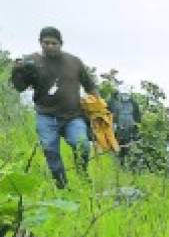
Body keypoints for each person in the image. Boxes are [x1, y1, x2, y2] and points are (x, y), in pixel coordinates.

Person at [9, 26, 100, 188]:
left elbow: (89, 85)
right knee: (50, 151)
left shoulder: (74, 61)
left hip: (73, 115)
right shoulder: (31, 61)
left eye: (54, 43)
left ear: (61, 43)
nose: (50, 46)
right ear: (40, 43)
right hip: (46, 115)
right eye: (46, 43)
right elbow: (20, 87)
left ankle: (82, 171)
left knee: (82, 144)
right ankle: (62, 186)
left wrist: (100, 108)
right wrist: (16, 71)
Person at [108, 84, 142, 169]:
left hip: (129, 129)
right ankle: (114, 165)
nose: (124, 96)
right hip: (117, 129)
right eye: (123, 94)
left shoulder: (134, 104)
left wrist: (136, 129)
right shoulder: (114, 102)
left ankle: (123, 165)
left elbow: (138, 118)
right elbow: (108, 113)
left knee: (126, 148)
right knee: (115, 147)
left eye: (126, 95)